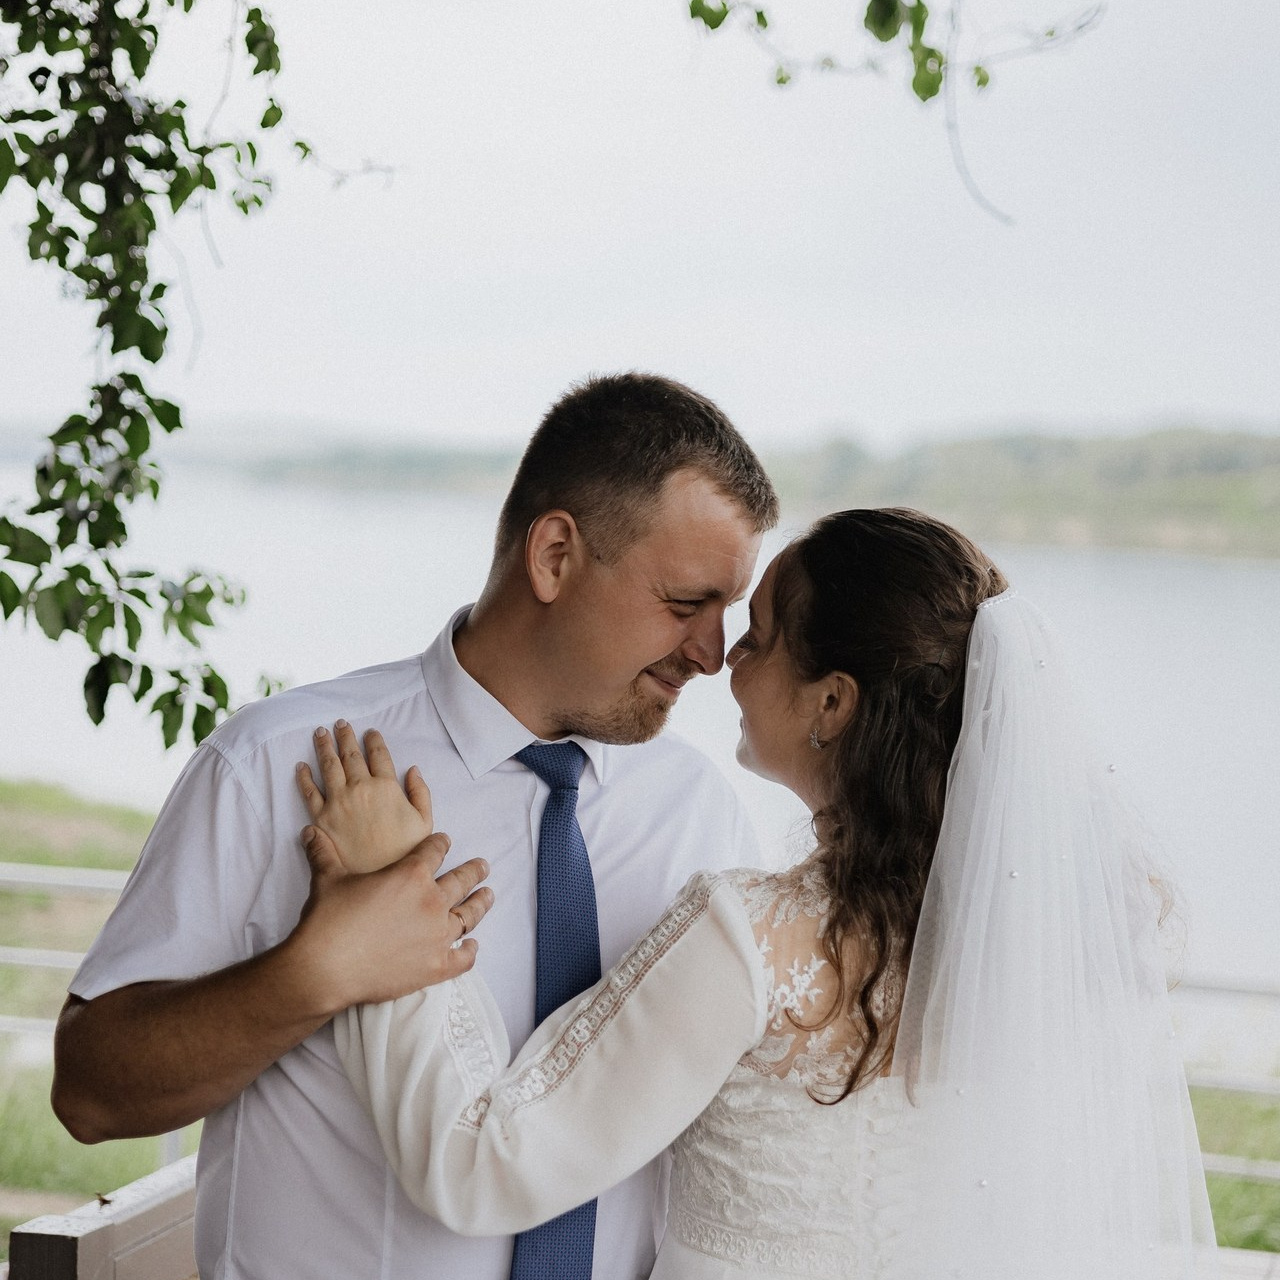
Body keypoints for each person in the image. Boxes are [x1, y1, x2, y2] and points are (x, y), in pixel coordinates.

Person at [302, 508, 1220, 1280]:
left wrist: (394, 890)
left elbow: (483, 1166)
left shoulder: (752, 940)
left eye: (764, 636)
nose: (724, 659)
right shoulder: (1036, 945)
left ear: (833, 703)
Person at [51, 372, 780, 1279]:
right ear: (554, 556)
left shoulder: (699, 811)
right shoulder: (274, 765)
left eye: (728, 613)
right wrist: (316, 971)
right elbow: (89, 1092)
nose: (712, 654)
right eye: (685, 605)